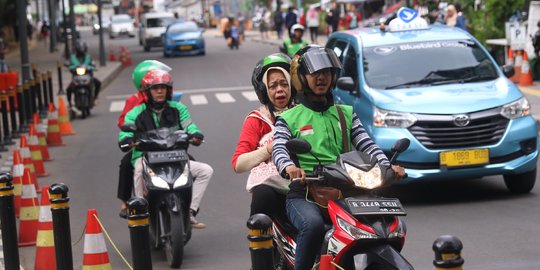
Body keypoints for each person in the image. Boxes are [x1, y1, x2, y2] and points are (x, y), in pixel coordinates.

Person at [272, 45, 406, 270]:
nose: (322, 77)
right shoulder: (289, 117)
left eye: (327, 72)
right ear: (302, 78)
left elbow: (367, 144)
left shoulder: (346, 113)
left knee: (382, 225)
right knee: (313, 225)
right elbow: (279, 148)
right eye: (316, 73)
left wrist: (387, 166)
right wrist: (288, 167)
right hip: (305, 193)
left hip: (346, 188)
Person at [118, 65, 213, 229]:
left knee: (206, 170)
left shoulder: (179, 109)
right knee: (139, 170)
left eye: (163, 87)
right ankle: (141, 211)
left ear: (168, 90)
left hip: (175, 156)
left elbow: (190, 126)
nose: (159, 91)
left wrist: (195, 135)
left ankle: (190, 211)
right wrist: (127, 139)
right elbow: (125, 133)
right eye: (155, 88)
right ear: (147, 91)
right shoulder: (136, 112)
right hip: (146, 158)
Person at [232, 53, 295, 220]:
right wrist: (269, 149)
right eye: (273, 86)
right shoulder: (256, 120)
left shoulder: (304, 114)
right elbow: (238, 164)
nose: (279, 89)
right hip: (271, 189)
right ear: (264, 91)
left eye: (284, 84)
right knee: (262, 195)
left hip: (304, 184)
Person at [116, 60, 172, 219]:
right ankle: (126, 202)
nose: (159, 89)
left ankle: (188, 206)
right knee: (127, 164)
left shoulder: (166, 95)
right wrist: (134, 135)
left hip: (166, 144)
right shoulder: (134, 101)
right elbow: (122, 121)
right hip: (144, 145)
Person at [66, 41, 102, 107]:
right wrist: (72, 68)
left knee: (98, 83)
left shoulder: (88, 57)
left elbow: (92, 65)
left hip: (87, 77)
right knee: (69, 89)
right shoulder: (73, 58)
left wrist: (91, 67)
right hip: (77, 77)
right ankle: (70, 103)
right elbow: (69, 65)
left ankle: (95, 97)